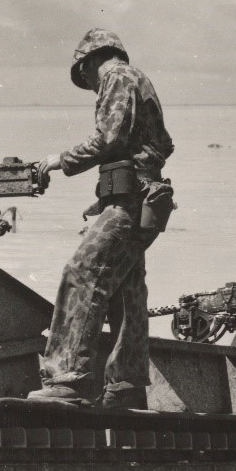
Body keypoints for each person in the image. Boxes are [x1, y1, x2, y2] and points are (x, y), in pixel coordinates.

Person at [28, 28, 176, 410]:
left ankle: (66, 379)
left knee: (82, 274)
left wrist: (61, 159)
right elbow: (158, 144)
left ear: (92, 60)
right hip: (139, 198)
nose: (91, 86)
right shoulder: (136, 80)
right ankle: (126, 386)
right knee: (127, 290)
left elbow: (109, 138)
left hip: (132, 201)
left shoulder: (116, 77)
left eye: (87, 76)